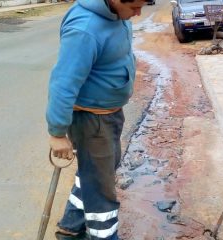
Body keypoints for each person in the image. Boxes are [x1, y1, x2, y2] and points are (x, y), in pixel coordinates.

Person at [46, 0, 151, 239]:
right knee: (102, 192)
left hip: (109, 115)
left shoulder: (117, 15)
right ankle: (104, 235)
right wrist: (57, 133)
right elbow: (63, 83)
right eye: (135, 6)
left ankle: (71, 225)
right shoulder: (85, 29)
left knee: (95, 173)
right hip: (92, 122)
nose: (138, 13)